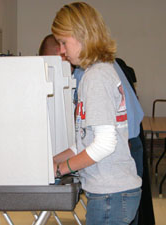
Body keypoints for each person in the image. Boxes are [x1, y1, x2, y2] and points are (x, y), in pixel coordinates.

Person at [51, 2, 142, 225]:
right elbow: (86, 141)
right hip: (113, 192)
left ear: (82, 35)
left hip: (111, 193)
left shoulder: (96, 78)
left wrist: (62, 169)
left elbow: (104, 144)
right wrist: (53, 160)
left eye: (64, 43)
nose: (62, 51)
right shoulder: (96, 72)